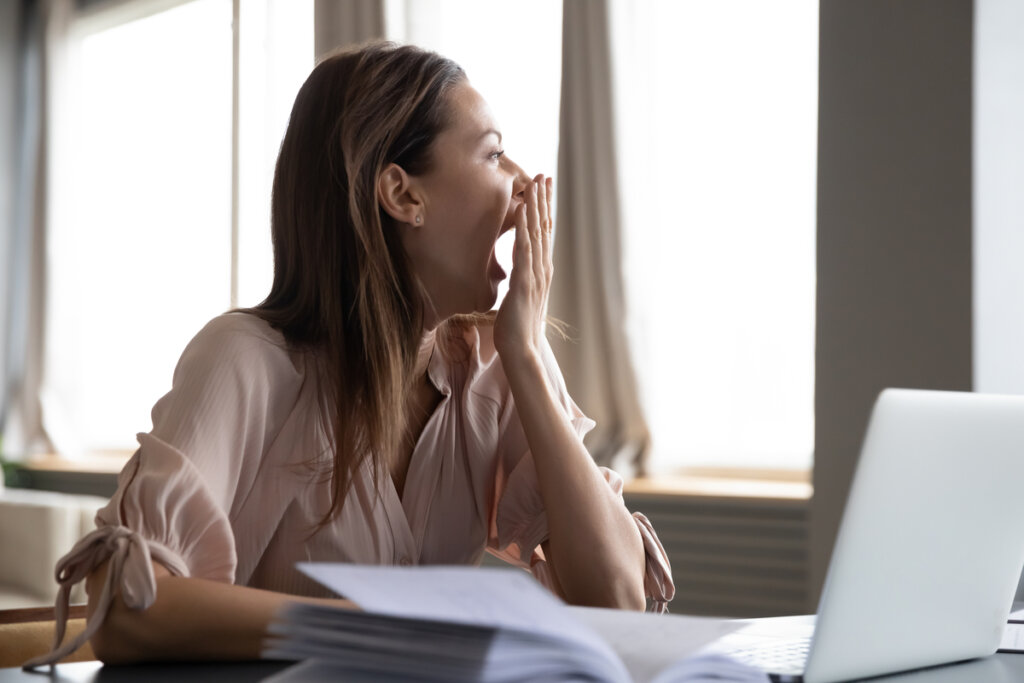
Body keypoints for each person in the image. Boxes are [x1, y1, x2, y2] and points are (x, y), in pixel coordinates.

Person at [25, 41, 673, 669]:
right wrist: (376, 627)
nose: (524, 184)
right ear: (403, 195)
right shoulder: (244, 361)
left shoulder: (500, 363)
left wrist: (527, 358)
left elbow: (618, 601)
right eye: (494, 154)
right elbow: (124, 610)